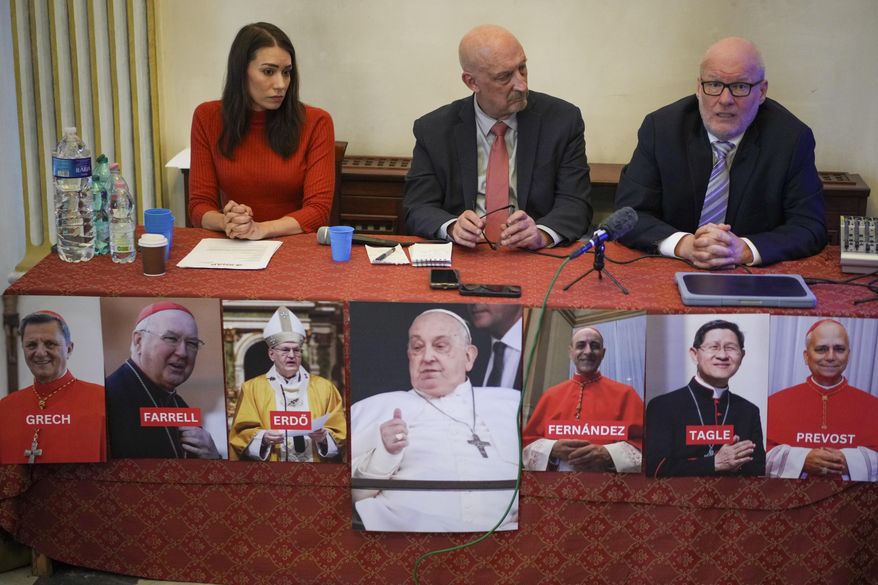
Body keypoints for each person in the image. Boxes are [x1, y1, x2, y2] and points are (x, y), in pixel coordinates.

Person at [614, 37, 826, 267]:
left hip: (752, 279)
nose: (725, 100)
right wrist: (686, 245)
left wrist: (742, 250)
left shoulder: (791, 139)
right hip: (670, 269)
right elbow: (631, 213)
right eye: (714, 85)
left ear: (762, 91)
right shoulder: (661, 129)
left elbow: (809, 226)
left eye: (740, 87)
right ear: (698, 87)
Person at [403, 24, 592, 250]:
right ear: (472, 82)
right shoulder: (434, 129)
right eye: (504, 77)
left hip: (534, 256)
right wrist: (452, 227)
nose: (521, 85)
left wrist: (541, 234)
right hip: (465, 255)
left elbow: (576, 203)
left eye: (522, 68)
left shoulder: (562, 121)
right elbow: (418, 207)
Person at [350, 309, 519, 532]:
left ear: (469, 356)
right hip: (406, 543)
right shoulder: (372, 408)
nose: (428, 357)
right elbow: (348, 499)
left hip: (506, 542)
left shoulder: (511, 404)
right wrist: (384, 455)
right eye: (418, 347)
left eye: (440, 346)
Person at [189, 22, 335, 240]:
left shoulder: (316, 122)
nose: (281, 84)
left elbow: (318, 211)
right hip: (233, 243)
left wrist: (260, 229)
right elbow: (199, 206)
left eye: (286, 73)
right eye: (268, 71)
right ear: (241, 71)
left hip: (293, 245)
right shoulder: (207, 117)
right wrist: (229, 221)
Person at [645, 320, 765, 477]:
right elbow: (654, 468)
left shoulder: (749, 411)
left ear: (741, 356)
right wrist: (714, 463)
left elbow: (758, 470)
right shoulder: (662, 406)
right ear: (695, 355)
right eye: (713, 347)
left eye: (731, 348)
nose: (722, 355)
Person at [229, 306, 346, 462]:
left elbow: (340, 434)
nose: (291, 355)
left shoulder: (324, 388)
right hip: (272, 471)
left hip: (315, 471)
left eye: (296, 350)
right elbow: (240, 435)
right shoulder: (252, 389)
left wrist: (323, 438)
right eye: (285, 350)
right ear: (271, 354)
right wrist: (263, 439)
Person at [105, 302, 221, 459]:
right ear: (139, 341)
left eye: (192, 343)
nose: (183, 353)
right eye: (171, 338)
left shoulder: (179, 405)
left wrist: (214, 457)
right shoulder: (108, 399)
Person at [766, 319, 878, 481]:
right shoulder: (774, 403)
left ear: (848, 355)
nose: (831, 357)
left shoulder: (873, 407)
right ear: (806, 356)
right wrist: (802, 460)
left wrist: (852, 462)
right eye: (821, 349)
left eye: (839, 349)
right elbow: (755, 455)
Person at [522, 327, 643, 472]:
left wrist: (608, 454)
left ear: (603, 353)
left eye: (595, 346)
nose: (588, 351)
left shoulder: (626, 394)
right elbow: (528, 444)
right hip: (556, 488)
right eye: (581, 346)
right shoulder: (550, 395)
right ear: (570, 352)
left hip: (608, 488)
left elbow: (644, 444)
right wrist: (552, 449)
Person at [0, 311, 105, 464]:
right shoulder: (4, 408)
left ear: (69, 349)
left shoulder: (102, 401)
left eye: (50, 344)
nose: (40, 353)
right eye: (31, 345)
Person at [467, 303, 522, 389]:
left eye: (489, 290)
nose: (474, 301)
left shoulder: (545, 349)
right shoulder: (468, 349)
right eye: (468, 292)